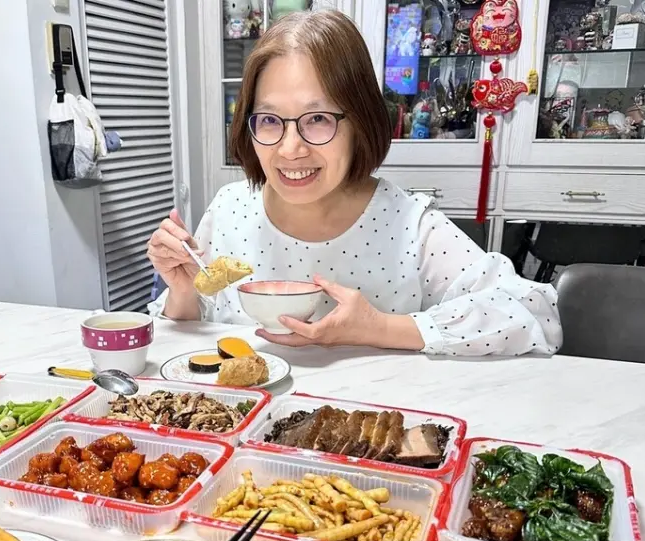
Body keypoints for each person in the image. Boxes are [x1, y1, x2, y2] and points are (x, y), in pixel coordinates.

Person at [147, 10, 562, 357]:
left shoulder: (408, 223)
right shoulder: (230, 208)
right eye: (270, 121)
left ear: (360, 123)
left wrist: (379, 327)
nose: (290, 150)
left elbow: (535, 314)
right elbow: (196, 332)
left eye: (318, 119)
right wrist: (182, 292)